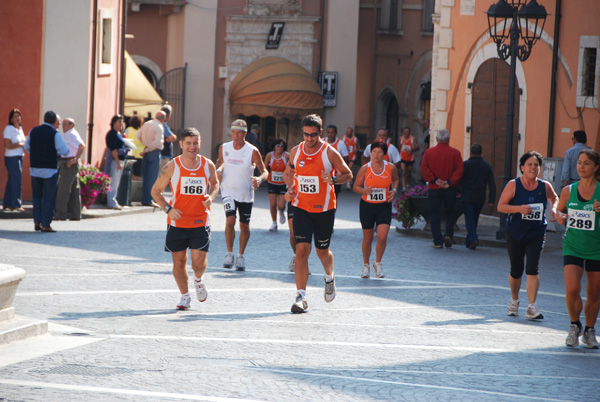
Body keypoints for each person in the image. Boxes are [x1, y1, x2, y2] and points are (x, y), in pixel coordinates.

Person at [284, 114, 352, 314]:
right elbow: (289, 173)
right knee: (302, 251)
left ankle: (329, 277)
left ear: (320, 133)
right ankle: (301, 297)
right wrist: (289, 190)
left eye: (313, 135)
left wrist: (333, 179)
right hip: (301, 207)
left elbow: (348, 173)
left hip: (324, 209)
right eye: (306, 135)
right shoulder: (296, 152)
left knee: (322, 252)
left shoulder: (329, 152)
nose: (309, 139)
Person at [151, 127, 219, 310]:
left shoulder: (207, 165)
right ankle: (184, 296)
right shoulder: (172, 166)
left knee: (198, 263)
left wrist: (211, 197)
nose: (192, 146)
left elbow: (215, 183)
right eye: (188, 143)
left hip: (200, 220)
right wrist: (167, 209)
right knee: (179, 262)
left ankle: (198, 279)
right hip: (177, 222)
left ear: (200, 143)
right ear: (181, 144)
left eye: (195, 143)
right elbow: (155, 191)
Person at [497, 151, 558, 320]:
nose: (533, 168)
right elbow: (501, 206)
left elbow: (554, 198)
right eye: (530, 164)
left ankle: (531, 306)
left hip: (536, 232)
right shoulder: (513, 185)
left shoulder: (544, 185)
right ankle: (514, 300)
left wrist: (553, 208)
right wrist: (519, 208)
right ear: (522, 167)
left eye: (536, 165)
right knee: (516, 270)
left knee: (532, 268)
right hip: (515, 232)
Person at [556, 149, 600, 348]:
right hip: (572, 245)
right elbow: (560, 209)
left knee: (594, 291)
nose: (581, 167)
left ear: (596, 167)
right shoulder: (568, 190)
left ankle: (589, 330)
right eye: (579, 163)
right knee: (572, 289)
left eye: (586, 163)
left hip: (596, 247)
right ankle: (575, 325)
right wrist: (559, 215)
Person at [216, 119, 268, 271]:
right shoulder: (224, 147)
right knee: (230, 219)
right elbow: (221, 162)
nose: (235, 136)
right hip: (228, 190)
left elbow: (265, 171)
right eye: (233, 132)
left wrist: (259, 179)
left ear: (245, 133)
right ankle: (229, 253)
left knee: (244, 226)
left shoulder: (252, 151)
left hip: (245, 193)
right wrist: (219, 170)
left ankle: (240, 256)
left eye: (239, 133)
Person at [353, 141, 399, 278]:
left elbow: (395, 180)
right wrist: (364, 190)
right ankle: (365, 264)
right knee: (367, 239)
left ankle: (378, 263)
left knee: (382, 236)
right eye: (374, 151)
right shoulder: (365, 168)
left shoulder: (390, 168)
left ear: (384, 154)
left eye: (379, 152)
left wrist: (394, 190)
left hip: (384, 206)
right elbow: (356, 186)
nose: (376, 154)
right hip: (367, 206)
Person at [24, 111, 68, 232]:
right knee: (49, 197)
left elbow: (27, 146)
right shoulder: (55, 134)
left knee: (37, 197)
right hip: (50, 169)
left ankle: (37, 221)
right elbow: (64, 150)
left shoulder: (34, 131)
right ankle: (45, 224)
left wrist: (36, 153)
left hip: (35, 168)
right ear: (54, 121)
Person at [420, 129, 464, 248]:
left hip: (434, 187)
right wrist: (449, 182)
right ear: (448, 139)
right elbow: (460, 170)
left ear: (437, 139)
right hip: (450, 188)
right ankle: (449, 234)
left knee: (434, 214)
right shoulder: (455, 153)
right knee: (450, 212)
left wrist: (435, 180)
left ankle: (438, 240)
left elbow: (424, 168)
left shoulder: (429, 153)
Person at [460, 143, 496, 249]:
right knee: (474, 219)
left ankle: (473, 238)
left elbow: (459, 180)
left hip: (467, 195)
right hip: (480, 197)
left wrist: (458, 191)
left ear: (471, 152)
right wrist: (491, 200)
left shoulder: (465, 165)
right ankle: (469, 242)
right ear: (481, 152)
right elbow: (492, 184)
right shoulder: (486, 166)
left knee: (469, 219)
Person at [54, 118, 85, 221]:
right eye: (62, 124)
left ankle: (60, 214)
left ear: (71, 125)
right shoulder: (71, 133)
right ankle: (75, 214)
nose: (63, 127)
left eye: (65, 124)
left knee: (63, 189)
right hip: (70, 162)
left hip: (69, 163)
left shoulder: (71, 134)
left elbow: (81, 146)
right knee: (74, 190)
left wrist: (74, 160)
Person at [137, 110, 166, 207]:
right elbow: (156, 142)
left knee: (146, 176)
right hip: (153, 152)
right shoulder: (159, 126)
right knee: (152, 177)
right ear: (163, 119)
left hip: (146, 151)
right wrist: (148, 148)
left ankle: (145, 198)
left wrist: (145, 146)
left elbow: (138, 135)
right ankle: (148, 199)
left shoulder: (146, 124)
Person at [3, 108, 26, 212]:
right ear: (11, 119)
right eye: (15, 116)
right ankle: (16, 204)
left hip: (19, 156)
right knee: (16, 180)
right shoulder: (9, 129)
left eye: (18, 116)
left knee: (12, 179)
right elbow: (7, 145)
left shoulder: (19, 129)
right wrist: (20, 144)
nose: (17, 118)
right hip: (12, 157)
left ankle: (7, 203)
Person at [264, 138, 289, 232]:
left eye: (282, 146)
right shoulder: (269, 155)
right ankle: (274, 223)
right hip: (272, 183)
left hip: (283, 183)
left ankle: (282, 211)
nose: (280, 148)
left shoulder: (287, 156)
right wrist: (263, 177)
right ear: (274, 146)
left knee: (281, 205)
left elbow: (291, 169)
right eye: (278, 145)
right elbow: (264, 167)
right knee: (273, 204)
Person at [104, 114, 127, 210]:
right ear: (114, 122)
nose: (121, 124)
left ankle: (113, 200)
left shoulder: (119, 134)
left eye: (122, 122)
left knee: (116, 182)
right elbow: (113, 149)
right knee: (113, 182)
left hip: (120, 160)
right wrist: (118, 162)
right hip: (115, 161)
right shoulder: (112, 134)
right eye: (119, 122)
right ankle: (111, 201)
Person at [325, 124, 350, 197]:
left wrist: (338, 165)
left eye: (332, 132)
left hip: (336, 176)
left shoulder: (341, 144)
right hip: (323, 175)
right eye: (328, 132)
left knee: (334, 196)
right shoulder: (322, 142)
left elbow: (346, 159)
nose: (330, 134)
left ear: (336, 133)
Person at [399, 126, 419, 192]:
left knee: (409, 172)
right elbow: (400, 147)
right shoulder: (401, 138)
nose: (405, 133)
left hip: (410, 158)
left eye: (407, 131)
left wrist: (412, 150)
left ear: (409, 132)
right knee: (403, 172)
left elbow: (417, 147)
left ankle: (408, 184)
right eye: (404, 131)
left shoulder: (412, 139)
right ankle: (404, 187)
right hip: (403, 158)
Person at [124, 112, 143, 179]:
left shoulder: (128, 130)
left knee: (128, 171)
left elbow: (125, 140)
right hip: (139, 154)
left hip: (130, 153)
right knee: (136, 173)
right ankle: (134, 186)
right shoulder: (141, 131)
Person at [159, 104, 178, 173]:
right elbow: (173, 138)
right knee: (163, 176)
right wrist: (170, 138)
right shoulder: (163, 125)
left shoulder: (158, 124)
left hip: (162, 154)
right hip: (164, 155)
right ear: (168, 115)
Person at [343, 126, 359, 191]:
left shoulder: (355, 139)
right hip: (345, 156)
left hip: (352, 156)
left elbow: (358, 145)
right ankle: (350, 179)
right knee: (346, 169)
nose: (348, 133)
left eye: (349, 132)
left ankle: (348, 184)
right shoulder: (343, 138)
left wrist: (356, 150)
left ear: (352, 132)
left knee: (349, 168)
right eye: (347, 132)